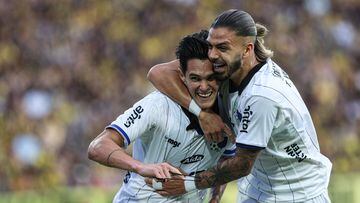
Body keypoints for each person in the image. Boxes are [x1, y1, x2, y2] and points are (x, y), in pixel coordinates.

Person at [146, 9, 332, 202]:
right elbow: (157, 73)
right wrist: (201, 114)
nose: (212, 55)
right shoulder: (229, 68)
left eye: (222, 48)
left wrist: (187, 184)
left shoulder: (262, 94)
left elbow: (242, 164)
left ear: (247, 49)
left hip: (295, 194)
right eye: (210, 46)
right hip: (258, 189)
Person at [88, 30, 236, 203]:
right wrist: (142, 167)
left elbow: (227, 158)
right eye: (195, 78)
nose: (204, 87)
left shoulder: (231, 112)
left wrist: (215, 197)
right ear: (182, 76)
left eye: (211, 78)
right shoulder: (158, 105)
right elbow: (97, 147)